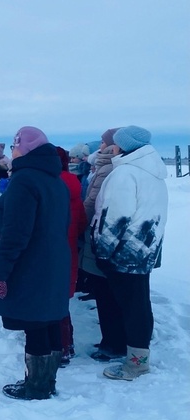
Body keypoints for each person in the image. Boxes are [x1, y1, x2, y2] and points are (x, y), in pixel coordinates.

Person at [0, 126, 70, 400]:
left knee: (35, 322)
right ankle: (47, 381)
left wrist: (0, 270)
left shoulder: (25, 181)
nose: (12, 151)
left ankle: (36, 386)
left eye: (14, 146)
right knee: (47, 320)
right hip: (53, 261)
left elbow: (15, 232)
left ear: (26, 148)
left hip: (30, 263)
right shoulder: (54, 180)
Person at [93, 126, 168, 381]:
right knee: (138, 304)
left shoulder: (125, 173)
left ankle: (136, 364)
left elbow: (115, 218)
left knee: (133, 307)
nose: (111, 147)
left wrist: (102, 251)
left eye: (114, 144)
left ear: (122, 146)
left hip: (124, 253)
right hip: (144, 250)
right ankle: (136, 355)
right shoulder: (153, 172)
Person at [80, 128, 127, 361]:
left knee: (107, 294)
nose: (100, 146)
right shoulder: (110, 166)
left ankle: (113, 343)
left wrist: (80, 223)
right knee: (110, 293)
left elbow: (92, 203)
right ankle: (116, 340)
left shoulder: (108, 168)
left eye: (103, 142)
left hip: (103, 238)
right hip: (110, 238)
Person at [55, 146, 88, 365]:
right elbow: (83, 222)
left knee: (48, 298)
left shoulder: (47, 184)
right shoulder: (75, 185)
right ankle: (67, 344)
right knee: (62, 299)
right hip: (69, 249)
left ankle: (56, 347)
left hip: (49, 249)